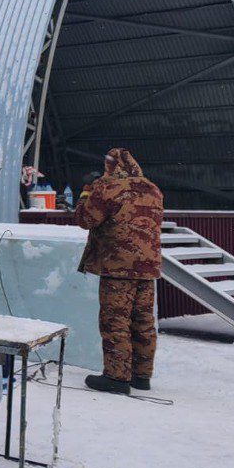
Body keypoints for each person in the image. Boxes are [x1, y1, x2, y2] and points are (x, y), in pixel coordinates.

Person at [75, 148, 163, 394]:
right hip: (147, 267)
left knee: (116, 321)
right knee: (143, 321)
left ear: (112, 165)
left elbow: (85, 219)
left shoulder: (108, 187)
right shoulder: (152, 189)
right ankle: (141, 376)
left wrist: (86, 191)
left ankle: (116, 377)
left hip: (118, 266)